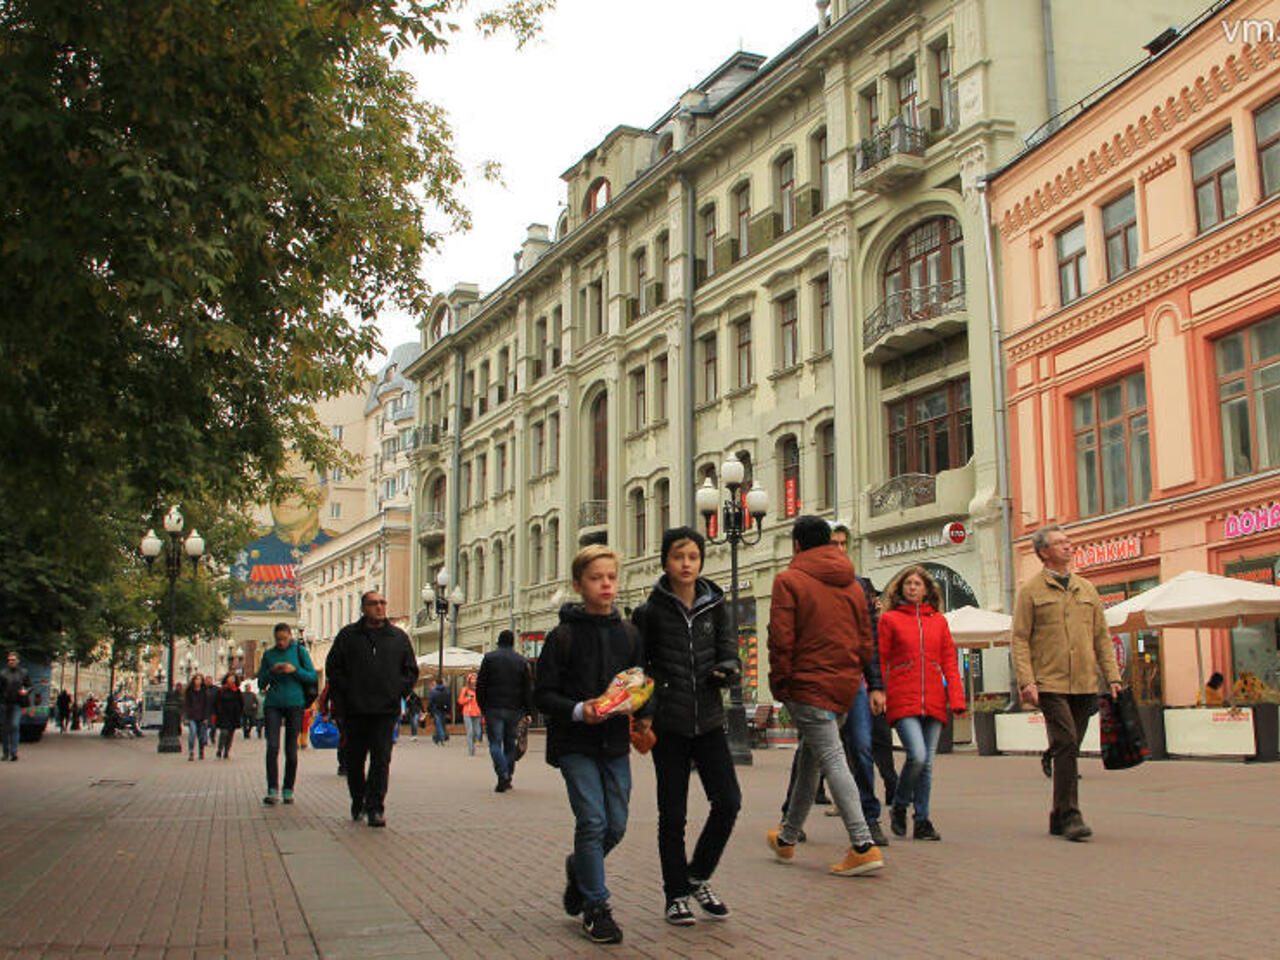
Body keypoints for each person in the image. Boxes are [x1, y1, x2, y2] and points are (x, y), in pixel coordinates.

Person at [534, 544, 646, 945]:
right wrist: (581, 709)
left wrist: (640, 710)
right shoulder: (562, 637)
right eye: (597, 578)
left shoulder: (630, 634)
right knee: (593, 821)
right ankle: (596, 907)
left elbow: (638, 684)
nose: (606, 585)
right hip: (575, 743)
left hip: (615, 743)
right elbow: (542, 695)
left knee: (616, 825)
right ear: (579, 584)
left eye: (611, 578)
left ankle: (579, 869)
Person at [632, 526, 740, 926]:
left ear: (701, 561)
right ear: (666, 561)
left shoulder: (716, 605)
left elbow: (730, 650)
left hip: (709, 720)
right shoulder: (650, 612)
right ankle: (675, 894)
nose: (686, 564)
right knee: (672, 815)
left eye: (693, 557)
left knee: (728, 801)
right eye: (679, 557)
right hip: (670, 724)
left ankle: (697, 876)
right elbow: (642, 668)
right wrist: (646, 713)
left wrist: (726, 671)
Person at [765, 516, 884, 878]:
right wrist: (854, 672)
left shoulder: (789, 581)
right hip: (845, 685)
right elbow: (867, 640)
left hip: (808, 684)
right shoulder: (852, 584)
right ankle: (786, 838)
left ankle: (862, 844)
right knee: (810, 760)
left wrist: (780, 683)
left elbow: (781, 639)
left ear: (797, 545)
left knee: (830, 758)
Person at [1012, 525, 1122, 842]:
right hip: (1050, 682)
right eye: (1059, 543)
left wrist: (1113, 677)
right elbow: (1019, 639)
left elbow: (1102, 637)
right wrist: (1027, 680)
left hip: (1085, 682)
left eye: (1068, 542)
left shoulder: (1086, 589)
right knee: (1067, 743)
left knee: (1067, 747)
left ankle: (1058, 815)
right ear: (1043, 552)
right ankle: (1072, 816)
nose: (1067, 546)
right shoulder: (1031, 591)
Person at [879, 565, 966, 841]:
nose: (913, 587)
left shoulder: (938, 622)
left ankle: (922, 819)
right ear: (901, 589)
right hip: (902, 697)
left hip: (934, 700)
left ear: (927, 589)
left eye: (918, 584)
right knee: (916, 755)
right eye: (908, 584)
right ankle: (901, 805)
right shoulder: (889, 620)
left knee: (927, 763)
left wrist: (957, 697)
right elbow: (880, 659)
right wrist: (878, 691)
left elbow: (950, 661)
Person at [325, 590, 419, 828]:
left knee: (381, 760)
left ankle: (376, 807)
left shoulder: (397, 638)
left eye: (382, 603)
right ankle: (358, 799)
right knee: (354, 760)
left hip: (385, 711)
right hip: (355, 711)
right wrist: (345, 696)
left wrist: (397, 691)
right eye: (373, 603)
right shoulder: (348, 636)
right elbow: (333, 669)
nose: (379, 607)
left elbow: (410, 670)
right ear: (364, 608)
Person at [257, 622, 318, 806]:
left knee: (291, 749)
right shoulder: (269, 655)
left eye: (284, 639)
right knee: (272, 747)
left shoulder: (299, 652)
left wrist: (295, 670)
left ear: (290, 637)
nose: (281, 643)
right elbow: (261, 682)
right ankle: (272, 789)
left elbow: (312, 676)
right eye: (278, 640)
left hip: (295, 703)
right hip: (273, 704)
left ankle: (288, 788)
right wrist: (271, 671)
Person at [476, 630, 533, 791]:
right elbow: (527, 688)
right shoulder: (521, 661)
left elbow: (481, 685)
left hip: (493, 708)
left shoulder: (489, 658)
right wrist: (528, 711)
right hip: (515, 709)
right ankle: (507, 775)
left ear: (498, 642)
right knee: (510, 744)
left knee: (495, 743)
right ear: (513, 642)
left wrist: (482, 706)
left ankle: (503, 774)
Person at [1, 651, 31, 761]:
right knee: (4, 729)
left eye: (13, 660)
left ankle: (14, 752)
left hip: (17, 703)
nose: (11, 662)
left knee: (14, 725)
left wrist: (25, 691)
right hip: (4, 704)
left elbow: (29, 686)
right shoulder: (3, 674)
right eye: (9, 660)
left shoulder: (23, 673)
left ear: (17, 661)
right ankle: (5, 753)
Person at [212, 673, 244, 759]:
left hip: (233, 716)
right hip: (223, 715)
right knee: (224, 732)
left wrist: (239, 713)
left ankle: (226, 751)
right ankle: (219, 749)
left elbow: (241, 703)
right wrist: (216, 712)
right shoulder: (221, 690)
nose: (231, 680)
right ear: (226, 679)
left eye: (233, 678)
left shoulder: (237, 691)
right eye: (230, 678)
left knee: (230, 734)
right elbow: (216, 702)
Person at [183, 673, 212, 761]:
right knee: (192, 733)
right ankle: (191, 752)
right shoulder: (189, 691)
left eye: (199, 679)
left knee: (201, 736)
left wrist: (206, 718)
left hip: (202, 716)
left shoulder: (204, 692)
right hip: (192, 716)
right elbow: (186, 705)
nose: (198, 681)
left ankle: (201, 751)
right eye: (196, 679)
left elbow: (207, 705)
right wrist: (186, 717)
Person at [457, 674, 483, 757]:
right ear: (469, 681)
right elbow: (460, 701)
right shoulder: (465, 690)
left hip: (477, 713)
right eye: (472, 679)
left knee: (476, 731)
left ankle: (473, 742)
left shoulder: (480, 690)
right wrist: (468, 699)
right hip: (468, 713)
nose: (474, 681)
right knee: (470, 731)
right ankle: (471, 750)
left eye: (475, 679)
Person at [427, 677, 451, 744]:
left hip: (436, 709)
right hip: (444, 708)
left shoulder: (433, 691)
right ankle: (437, 737)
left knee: (438, 723)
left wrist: (429, 709)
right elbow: (449, 702)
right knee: (442, 723)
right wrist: (448, 710)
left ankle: (442, 736)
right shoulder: (447, 691)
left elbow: (431, 701)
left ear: (436, 683)